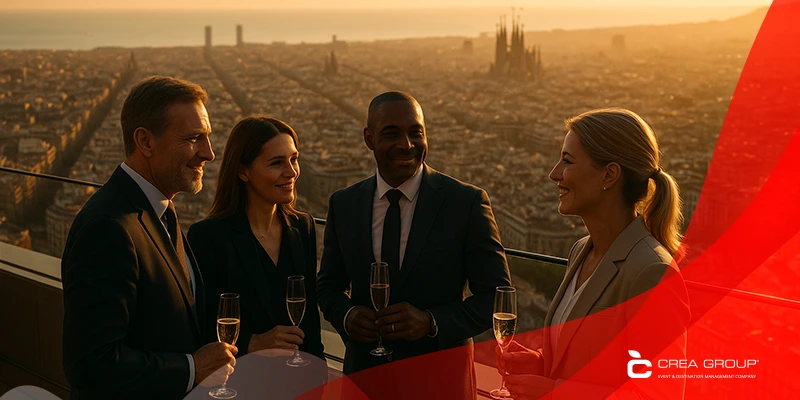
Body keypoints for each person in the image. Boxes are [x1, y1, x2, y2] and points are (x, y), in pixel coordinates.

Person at [317, 91, 512, 399]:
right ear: (369, 138)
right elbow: (328, 286)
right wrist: (347, 316)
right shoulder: (344, 204)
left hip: (440, 382)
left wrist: (431, 323)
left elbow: (497, 297)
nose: (406, 145)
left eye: (415, 132)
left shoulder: (465, 203)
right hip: (366, 379)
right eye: (391, 134)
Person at [61, 76, 236, 400]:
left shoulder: (156, 211)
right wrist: (191, 369)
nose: (209, 154)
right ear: (145, 141)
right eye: (194, 138)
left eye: (207, 138)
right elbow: (90, 364)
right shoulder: (109, 227)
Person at [496, 108, 690, 399]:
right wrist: (540, 363)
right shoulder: (581, 251)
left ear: (610, 175)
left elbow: (662, 393)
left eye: (567, 161)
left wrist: (554, 392)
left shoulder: (652, 272)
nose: (554, 174)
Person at [188, 116, 325, 363]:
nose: (292, 172)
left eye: (294, 159)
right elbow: (199, 324)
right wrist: (252, 342)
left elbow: (310, 321)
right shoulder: (208, 237)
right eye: (276, 163)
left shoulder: (303, 226)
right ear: (242, 171)